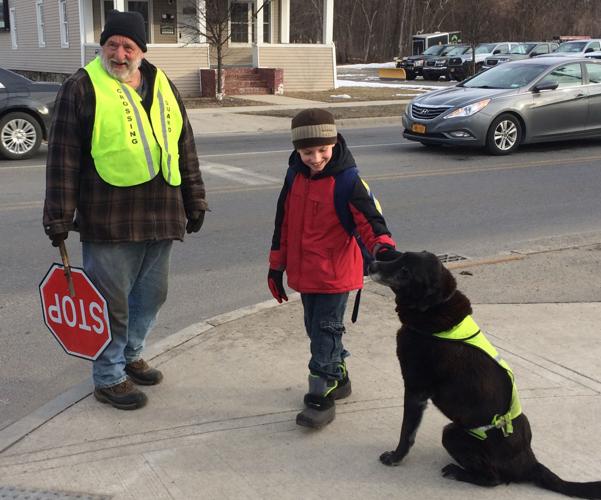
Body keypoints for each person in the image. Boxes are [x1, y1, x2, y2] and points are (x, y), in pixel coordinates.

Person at [43, 10, 208, 411]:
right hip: (109, 217)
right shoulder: (81, 87)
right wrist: (59, 216)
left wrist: (195, 198)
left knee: (152, 295)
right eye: (112, 45)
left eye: (128, 46)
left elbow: (183, 145)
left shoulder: (163, 84)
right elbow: (63, 157)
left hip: (162, 213)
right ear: (103, 47)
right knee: (110, 303)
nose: (119, 54)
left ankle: (131, 354)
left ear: (141, 50)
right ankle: (108, 376)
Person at [268, 108, 401, 428]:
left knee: (325, 331)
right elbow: (282, 222)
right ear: (296, 150)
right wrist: (277, 266)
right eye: (307, 151)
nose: (315, 158)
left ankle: (322, 391)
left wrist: (383, 249)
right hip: (306, 273)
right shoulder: (294, 175)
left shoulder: (348, 181)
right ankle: (339, 376)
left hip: (336, 274)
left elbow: (371, 223)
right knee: (316, 328)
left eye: (322, 150)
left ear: (335, 143)